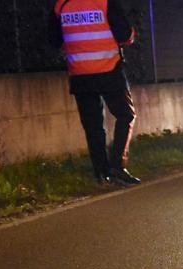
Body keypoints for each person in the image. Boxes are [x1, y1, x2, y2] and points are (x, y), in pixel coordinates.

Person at [49, 0, 140, 185]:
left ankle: (101, 173)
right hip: (109, 70)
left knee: (93, 126)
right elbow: (125, 35)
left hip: (80, 74)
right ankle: (117, 167)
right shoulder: (104, 1)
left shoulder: (62, 4)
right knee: (125, 115)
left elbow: (54, 40)